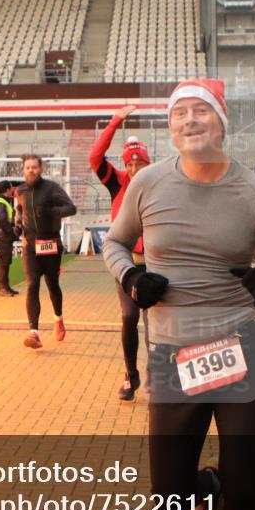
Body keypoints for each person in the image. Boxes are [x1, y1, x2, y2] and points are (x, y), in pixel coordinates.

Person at [103, 78, 255, 510]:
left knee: (245, 483)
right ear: (171, 127)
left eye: (200, 112)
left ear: (220, 121)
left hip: (239, 348)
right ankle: (207, 486)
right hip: (175, 356)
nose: (189, 121)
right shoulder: (147, 183)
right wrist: (130, 276)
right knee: (168, 496)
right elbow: (114, 243)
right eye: (179, 114)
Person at [90, 105, 151, 401]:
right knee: (129, 318)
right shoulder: (118, 183)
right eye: (130, 165)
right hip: (125, 264)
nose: (134, 169)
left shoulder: (158, 184)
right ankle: (131, 374)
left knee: (156, 323)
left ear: (148, 164)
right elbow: (95, 157)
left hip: (154, 263)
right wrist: (115, 122)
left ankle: (159, 375)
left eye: (139, 164)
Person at [14, 155, 77, 349]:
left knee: (52, 284)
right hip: (30, 246)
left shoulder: (51, 188)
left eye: (34, 167)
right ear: (23, 170)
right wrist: (17, 225)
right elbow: (19, 210)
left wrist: (51, 212)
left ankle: (58, 318)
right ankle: (33, 332)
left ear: (41, 169)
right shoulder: (20, 190)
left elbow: (71, 208)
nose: (31, 170)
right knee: (32, 284)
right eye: (27, 167)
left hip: (50, 244)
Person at [0, 180, 19, 296]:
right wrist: (12, 233)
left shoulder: (4, 202)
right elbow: (3, 222)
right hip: (3, 235)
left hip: (5, 235)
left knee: (6, 262)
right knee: (4, 262)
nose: (12, 190)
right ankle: (2, 288)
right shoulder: (1, 203)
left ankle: (6, 287)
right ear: (7, 190)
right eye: (11, 188)